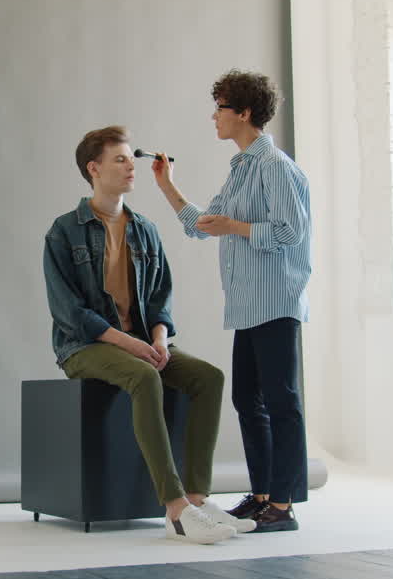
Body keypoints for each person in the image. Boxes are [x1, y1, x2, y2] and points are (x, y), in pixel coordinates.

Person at [43, 125, 250, 544]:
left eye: (129, 158)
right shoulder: (64, 231)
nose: (130, 167)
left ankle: (197, 499)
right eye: (119, 159)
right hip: (84, 347)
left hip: (142, 343)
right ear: (93, 169)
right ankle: (175, 510)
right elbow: (70, 313)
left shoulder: (145, 230)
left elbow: (160, 299)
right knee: (143, 376)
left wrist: (157, 339)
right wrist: (132, 345)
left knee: (208, 377)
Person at [152, 70, 312, 533]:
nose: (214, 117)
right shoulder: (242, 168)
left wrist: (236, 228)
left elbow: (290, 232)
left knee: (281, 403)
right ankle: (262, 496)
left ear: (243, 112)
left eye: (220, 107)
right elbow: (203, 224)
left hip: (275, 300)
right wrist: (167, 185)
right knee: (248, 399)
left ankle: (282, 506)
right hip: (248, 306)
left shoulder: (274, 166)